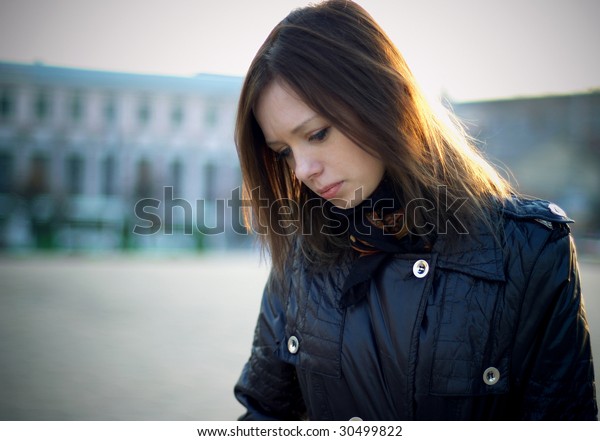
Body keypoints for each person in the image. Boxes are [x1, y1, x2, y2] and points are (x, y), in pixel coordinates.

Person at [232, 0, 597, 420]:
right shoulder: (301, 256)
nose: (302, 170)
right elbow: (264, 417)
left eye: (317, 133)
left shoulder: (530, 249)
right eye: (283, 153)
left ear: (382, 97)